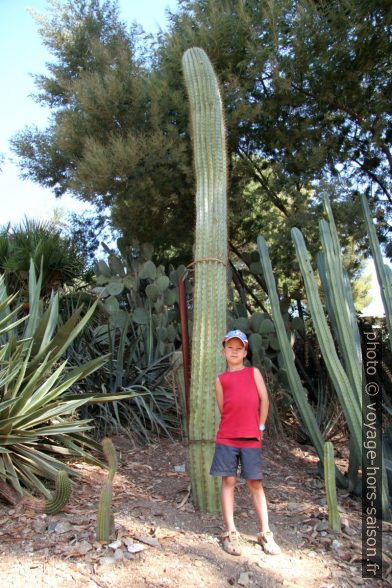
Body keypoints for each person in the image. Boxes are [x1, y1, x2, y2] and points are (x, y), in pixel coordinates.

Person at [209, 329, 281, 556]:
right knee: (228, 480)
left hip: (251, 437)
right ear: (223, 351)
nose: (234, 351)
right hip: (227, 437)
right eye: (230, 347)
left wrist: (260, 426)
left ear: (245, 352)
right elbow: (223, 408)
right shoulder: (220, 380)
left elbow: (264, 399)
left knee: (255, 483)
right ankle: (230, 532)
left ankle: (265, 532)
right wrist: (234, 425)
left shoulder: (253, 372)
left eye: (238, 348)